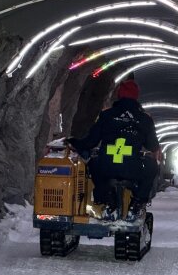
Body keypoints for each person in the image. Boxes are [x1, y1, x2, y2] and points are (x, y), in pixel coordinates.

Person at [66, 77, 160, 220]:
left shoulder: (106, 115)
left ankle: (108, 201)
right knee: (152, 166)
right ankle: (137, 203)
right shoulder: (144, 119)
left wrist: (73, 141)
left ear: (119, 95)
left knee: (93, 164)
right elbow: (152, 146)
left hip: (106, 168)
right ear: (136, 97)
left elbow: (90, 142)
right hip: (132, 169)